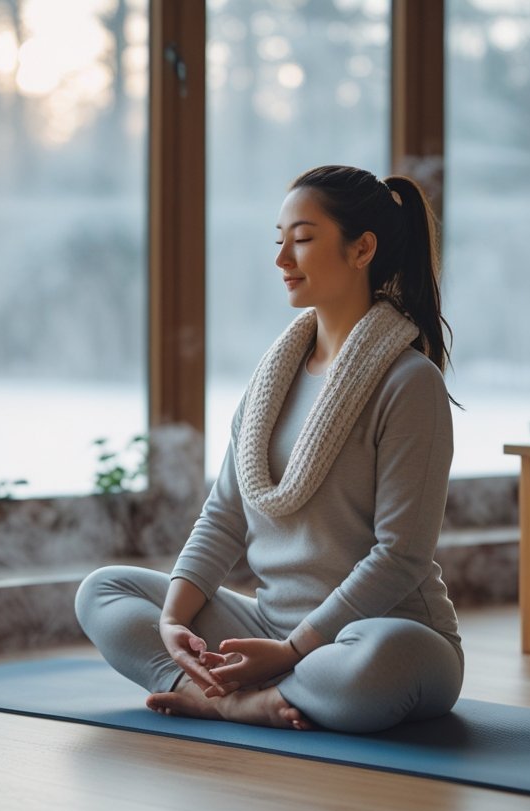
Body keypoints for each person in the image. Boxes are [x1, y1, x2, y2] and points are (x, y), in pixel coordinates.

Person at [75, 164, 461, 733]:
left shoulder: (410, 383)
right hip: (270, 628)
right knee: (103, 591)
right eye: (279, 241)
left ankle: (250, 694)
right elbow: (224, 515)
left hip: (380, 633)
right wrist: (173, 623)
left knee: (377, 664)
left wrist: (293, 650)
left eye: (301, 240)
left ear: (362, 250)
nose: (282, 259)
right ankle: (222, 696)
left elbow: (400, 555)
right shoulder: (271, 380)